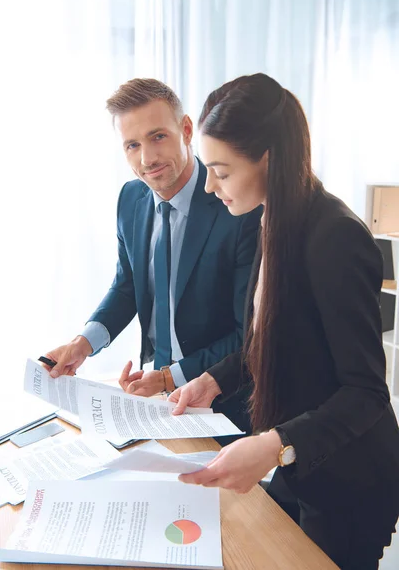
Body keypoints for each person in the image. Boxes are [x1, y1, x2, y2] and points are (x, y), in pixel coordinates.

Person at [169, 73, 399, 569]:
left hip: (351, 479)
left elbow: (367, 393)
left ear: (268, 159)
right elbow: (269, 337)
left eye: (221, 171)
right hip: (302, 466)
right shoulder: (271, 217)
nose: (210, 186)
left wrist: (275, 446)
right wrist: (213, 379)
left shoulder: (336, 237)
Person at [42, 78, 261, 439]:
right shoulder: (131, 199)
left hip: (226, 400)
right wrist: (82, 345)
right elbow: (127, 285)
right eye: (132, 145)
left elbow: (247, 334)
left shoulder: (236, 205)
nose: (147, 159)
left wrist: (168, 376)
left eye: (158, 136)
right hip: (157, 395)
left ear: (186, 130)